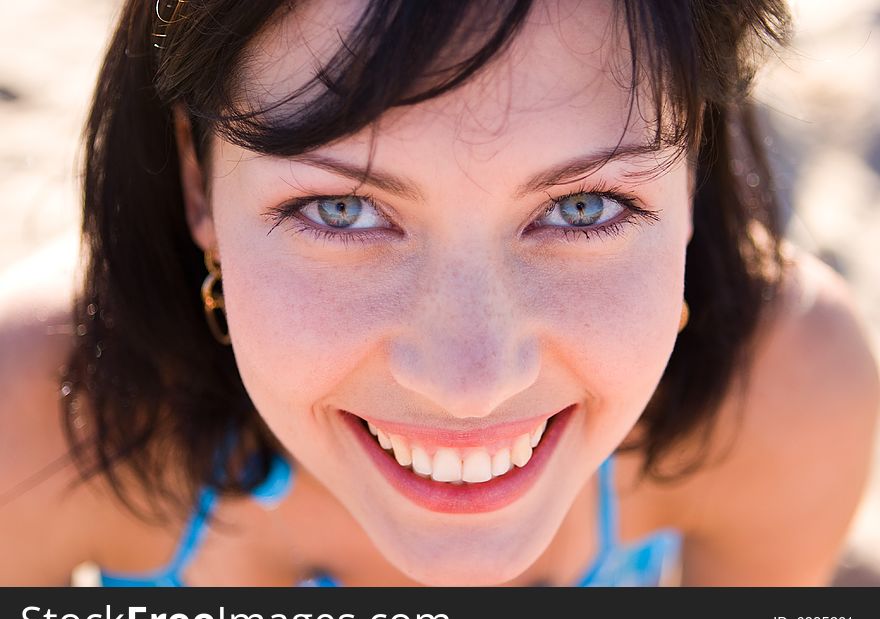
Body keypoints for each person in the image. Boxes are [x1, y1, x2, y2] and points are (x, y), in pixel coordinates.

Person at [0, 0, 877, 587]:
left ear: (694, 178)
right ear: (200, 185)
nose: (471, 382)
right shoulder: (35, 415)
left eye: (584, 206)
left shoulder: (790, 393)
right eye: (341, 210)